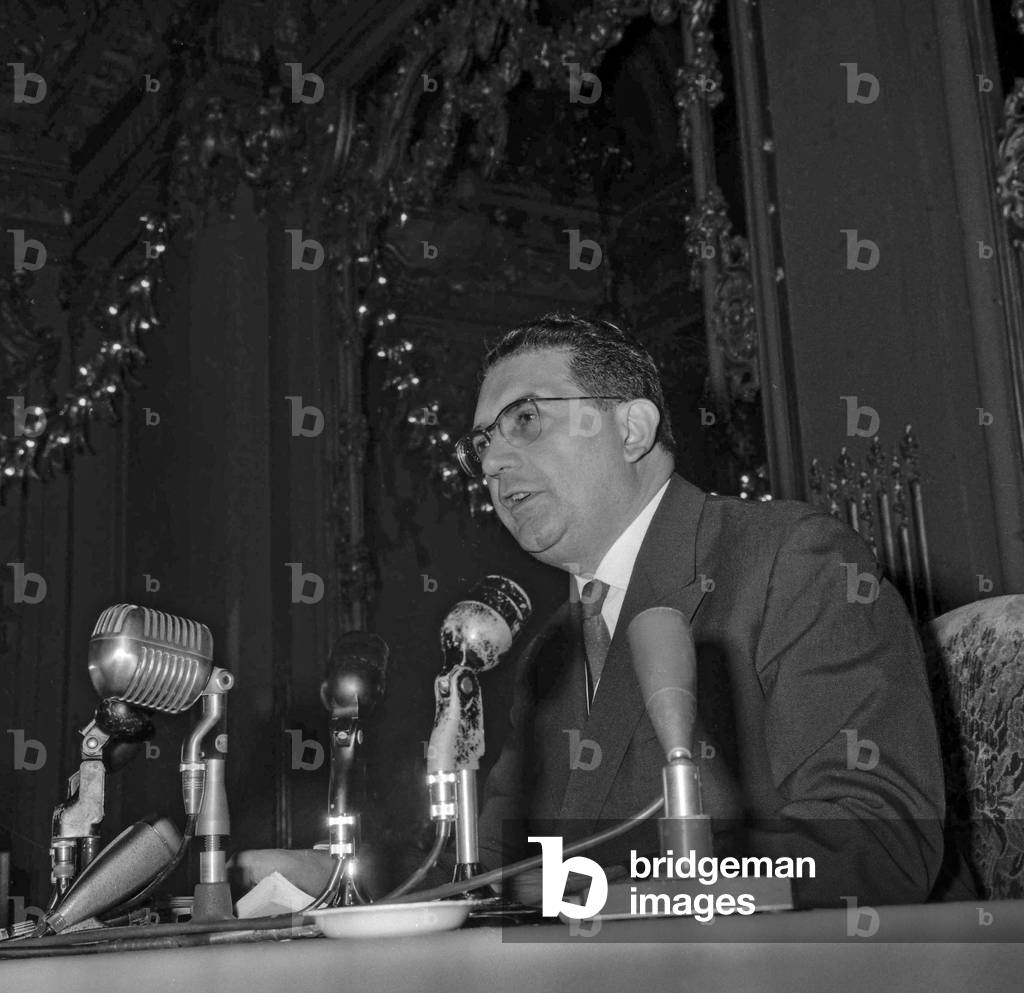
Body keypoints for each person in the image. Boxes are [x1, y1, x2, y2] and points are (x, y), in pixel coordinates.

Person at [456, 312, 948, 909]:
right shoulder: (551, 651)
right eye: (481, 444)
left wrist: (624, 892)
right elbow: (496, 865)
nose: (491, 463)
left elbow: (879, 840)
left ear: (631, 430)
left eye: (525, 420)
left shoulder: (793, 558)